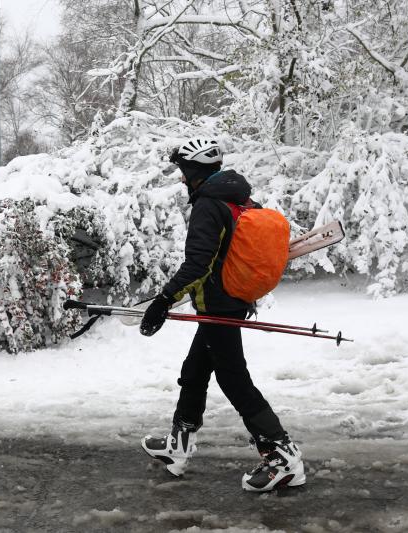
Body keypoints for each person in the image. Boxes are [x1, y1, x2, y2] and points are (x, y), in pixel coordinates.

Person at [139, 138, 305, 492]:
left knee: (234, 380)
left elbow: (198, 264)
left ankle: (283, 457)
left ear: (197, 172)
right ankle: (178, 446)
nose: (183, 179)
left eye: (185, 172)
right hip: (231, 301)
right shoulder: (241, 200)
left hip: (219, 307)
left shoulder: (209, 206)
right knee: (194, 372)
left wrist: (163, 300)